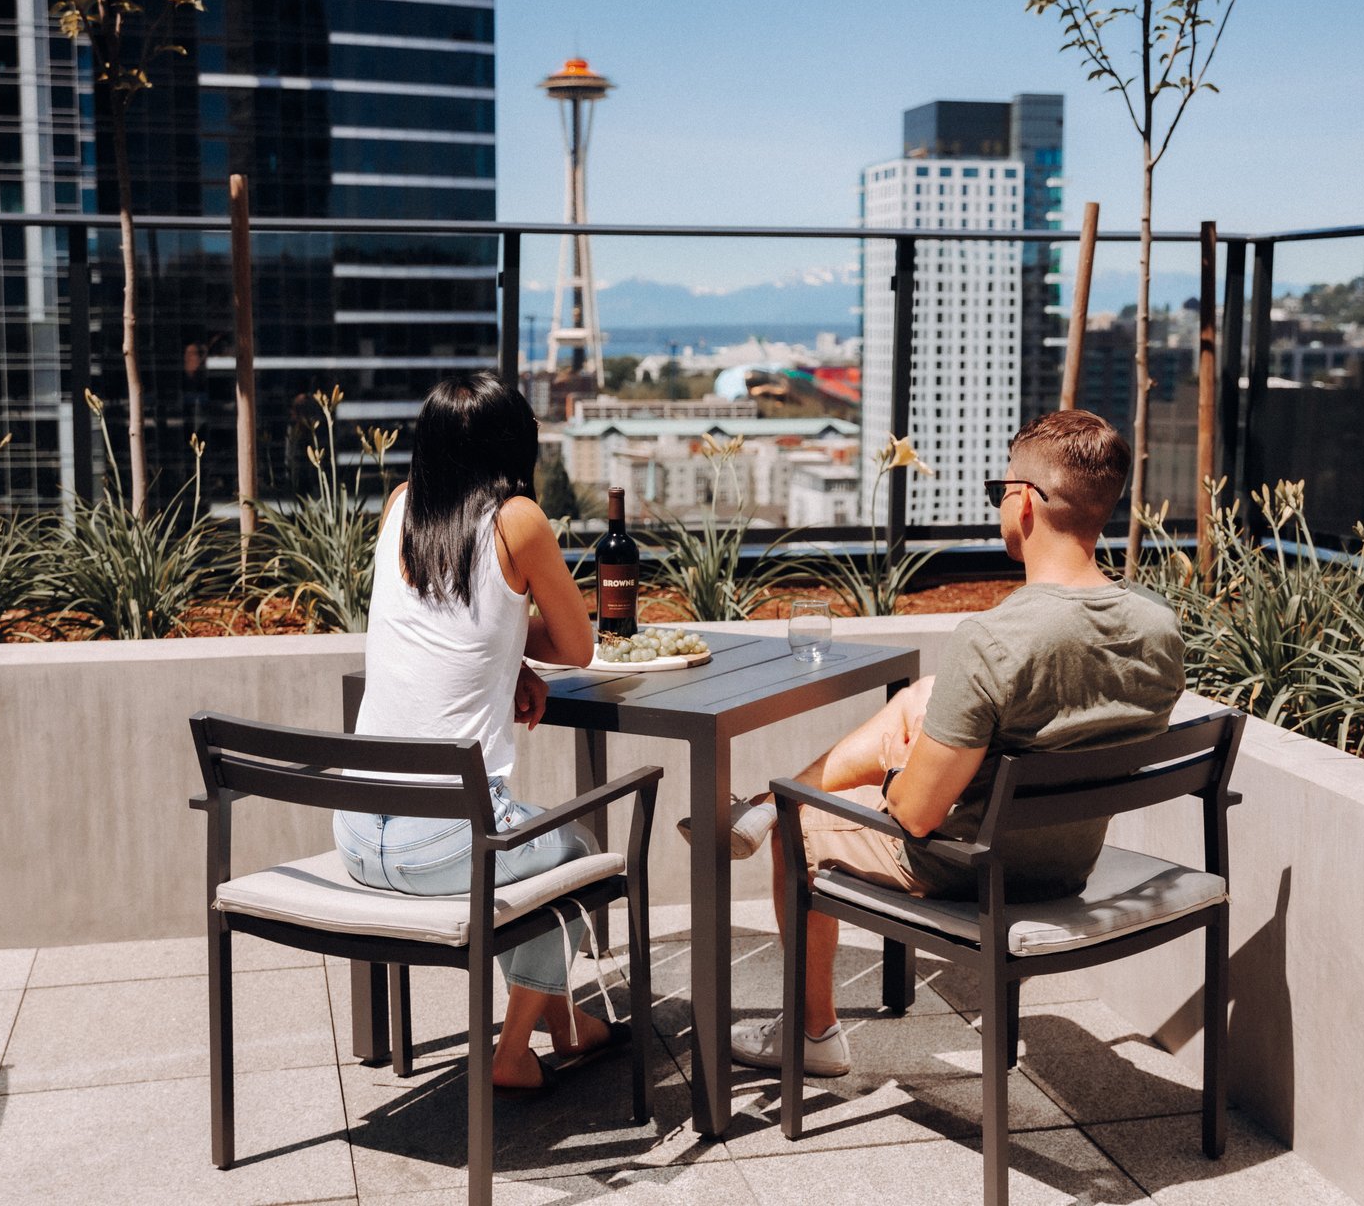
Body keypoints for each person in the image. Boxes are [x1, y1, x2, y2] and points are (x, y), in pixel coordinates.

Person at [710, 408, 1186, 1076]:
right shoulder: (1158, 628)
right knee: (924, 695)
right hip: (1071, 859)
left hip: (974, 870)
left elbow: (916, 815)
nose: (1000, 505)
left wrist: (903, 767)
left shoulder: (993, 640)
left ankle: (812, 1033)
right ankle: (765, 799)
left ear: (1023, 502)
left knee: (797, 828)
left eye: (1000, 491)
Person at [333, 370, 620, 1094]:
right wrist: (521, 655)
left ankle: (562, 1027)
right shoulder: (516, 521)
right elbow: (579, 645)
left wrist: (508, 656)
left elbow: (447, 626)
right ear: (512, 446)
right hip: (444, 845)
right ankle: (515, 1049)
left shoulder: (399, 508)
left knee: (518, 844)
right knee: (573, 852)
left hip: (360, 835)